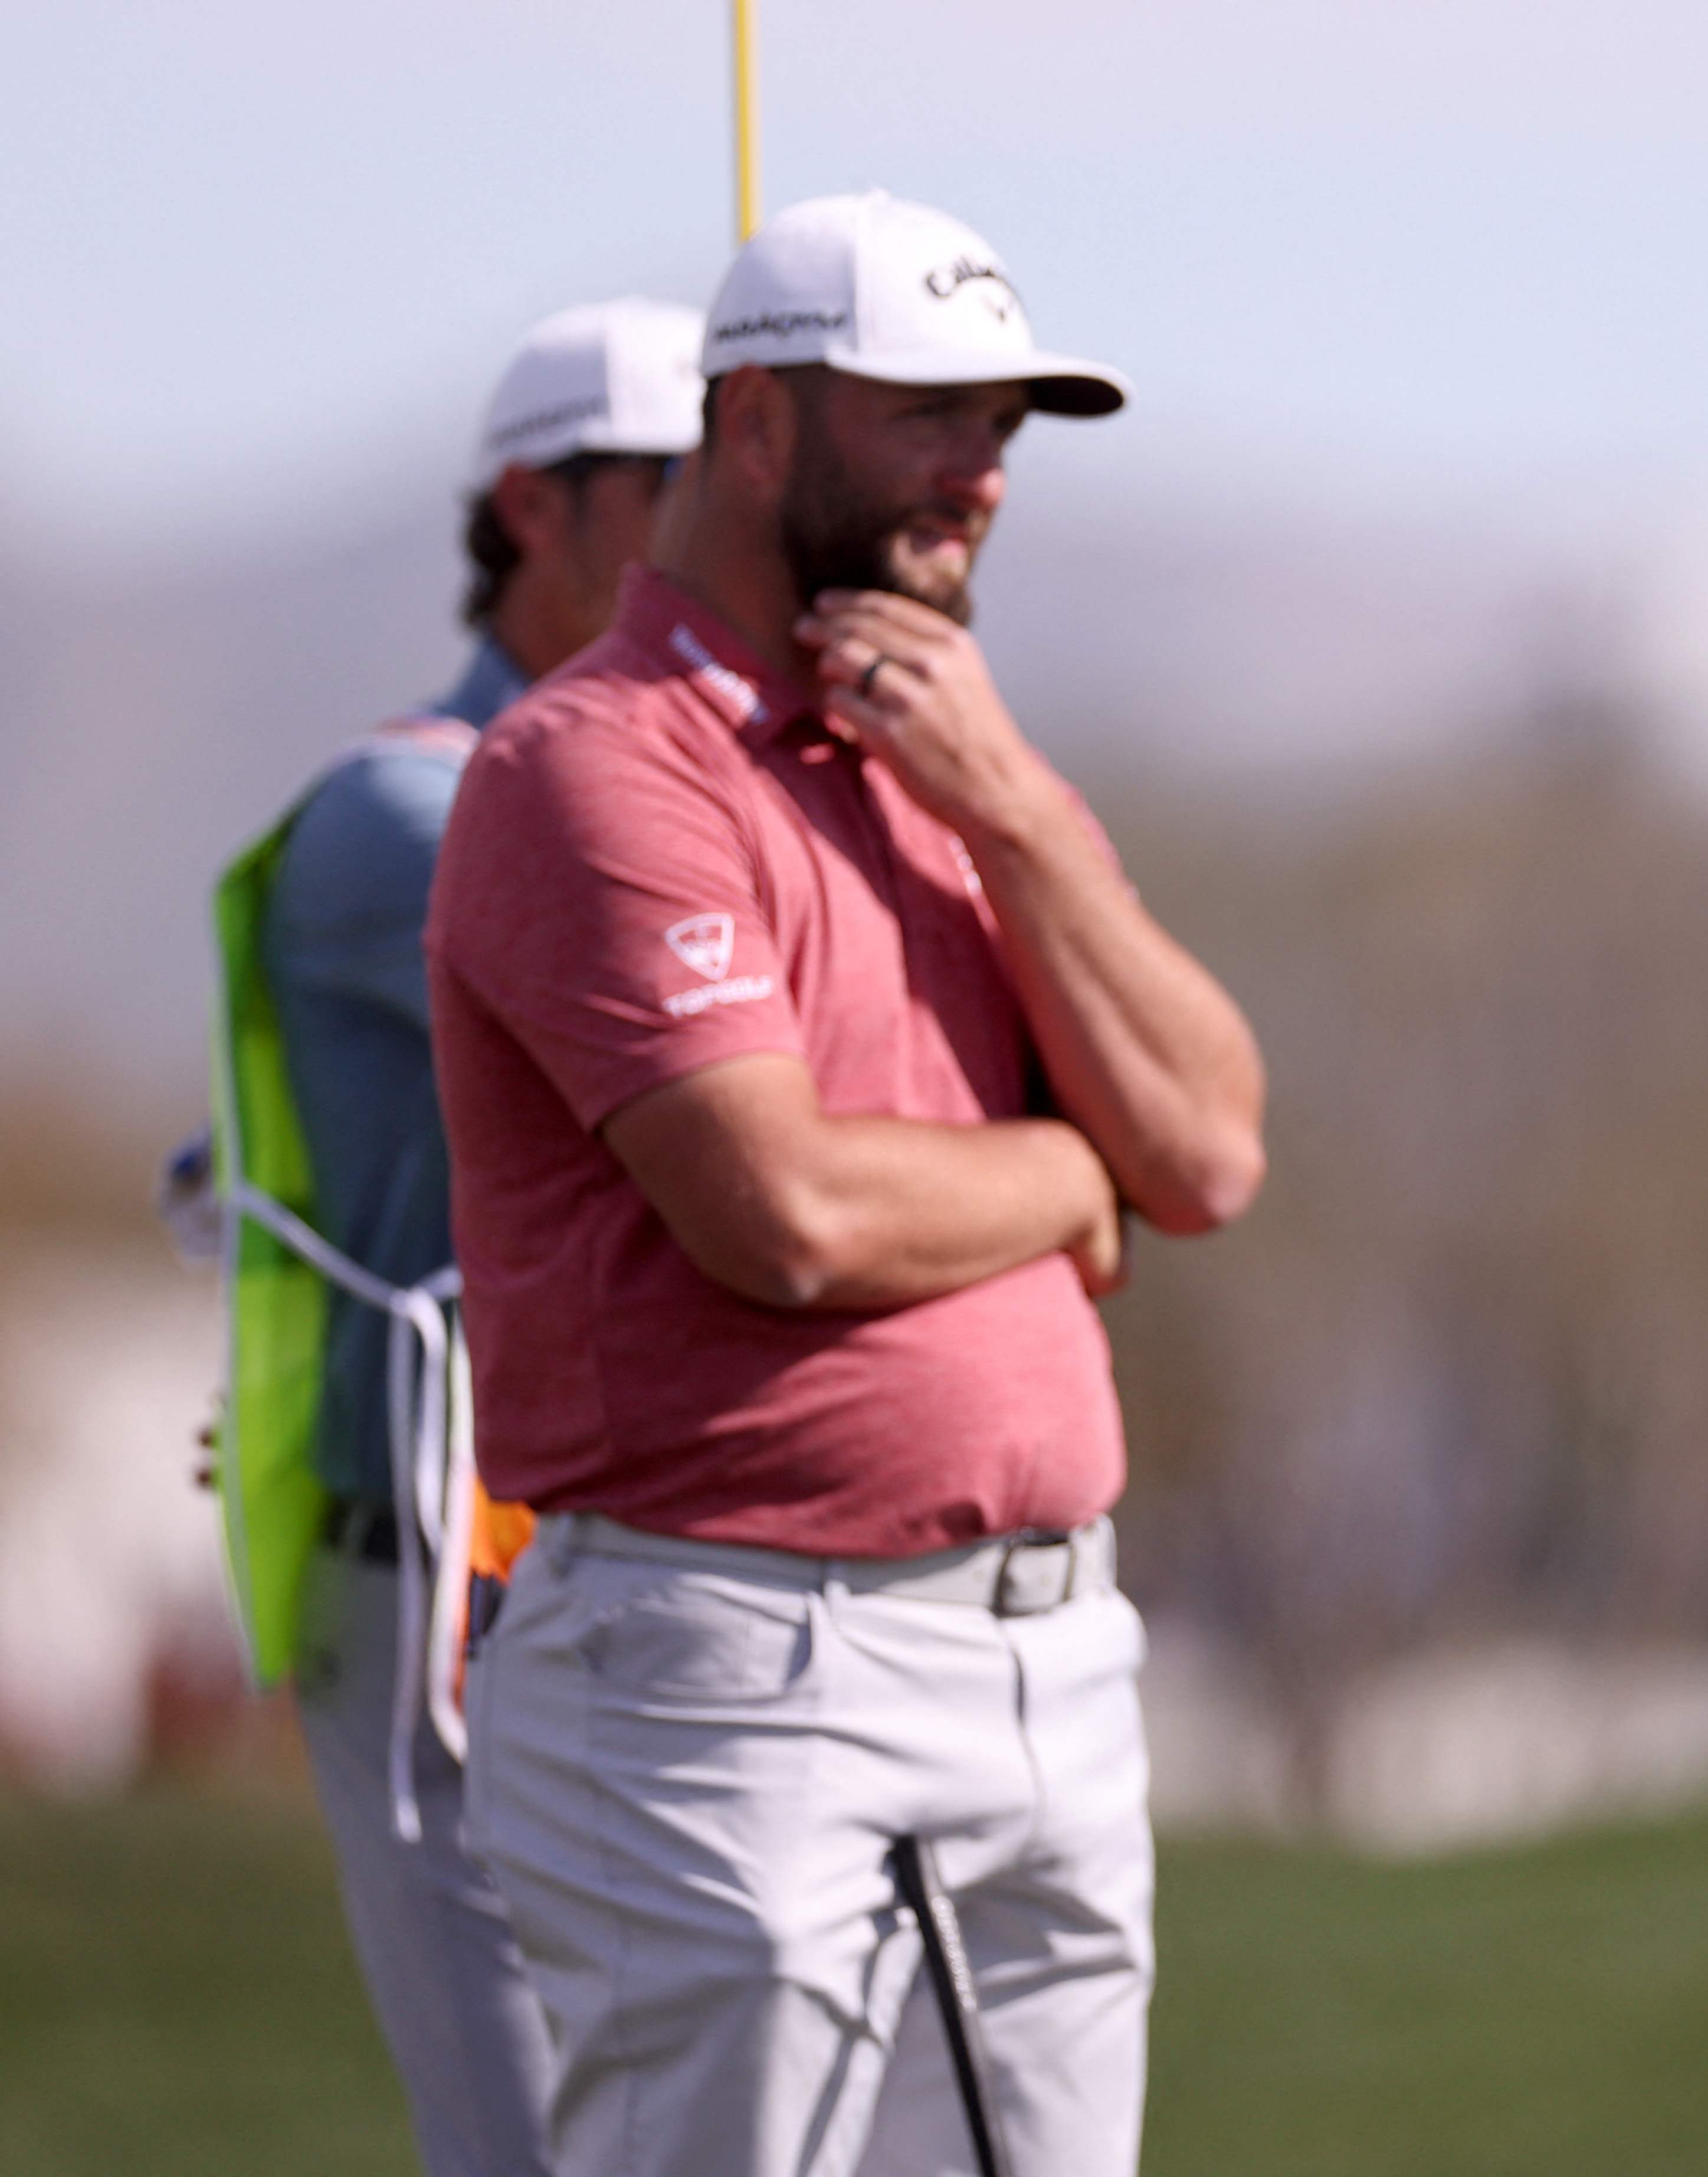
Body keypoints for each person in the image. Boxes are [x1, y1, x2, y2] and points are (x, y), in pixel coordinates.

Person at [425, 191, 1266, 2177]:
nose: (981, 473)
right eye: (929, 416)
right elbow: (783, 1210)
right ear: (759, 427)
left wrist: (1014, 809)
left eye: (1006, 428)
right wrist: (1069, 1178)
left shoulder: (946, 746)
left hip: (1049, 1659)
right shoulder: (591, 767)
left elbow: (1214, 1143)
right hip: (725, 1673)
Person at [194, 296, 704, 2177]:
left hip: (639, 1549)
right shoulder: (404, 811)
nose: (717, 531)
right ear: (533, 507)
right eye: (671, 485)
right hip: (431, 1562)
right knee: (536, 2142)